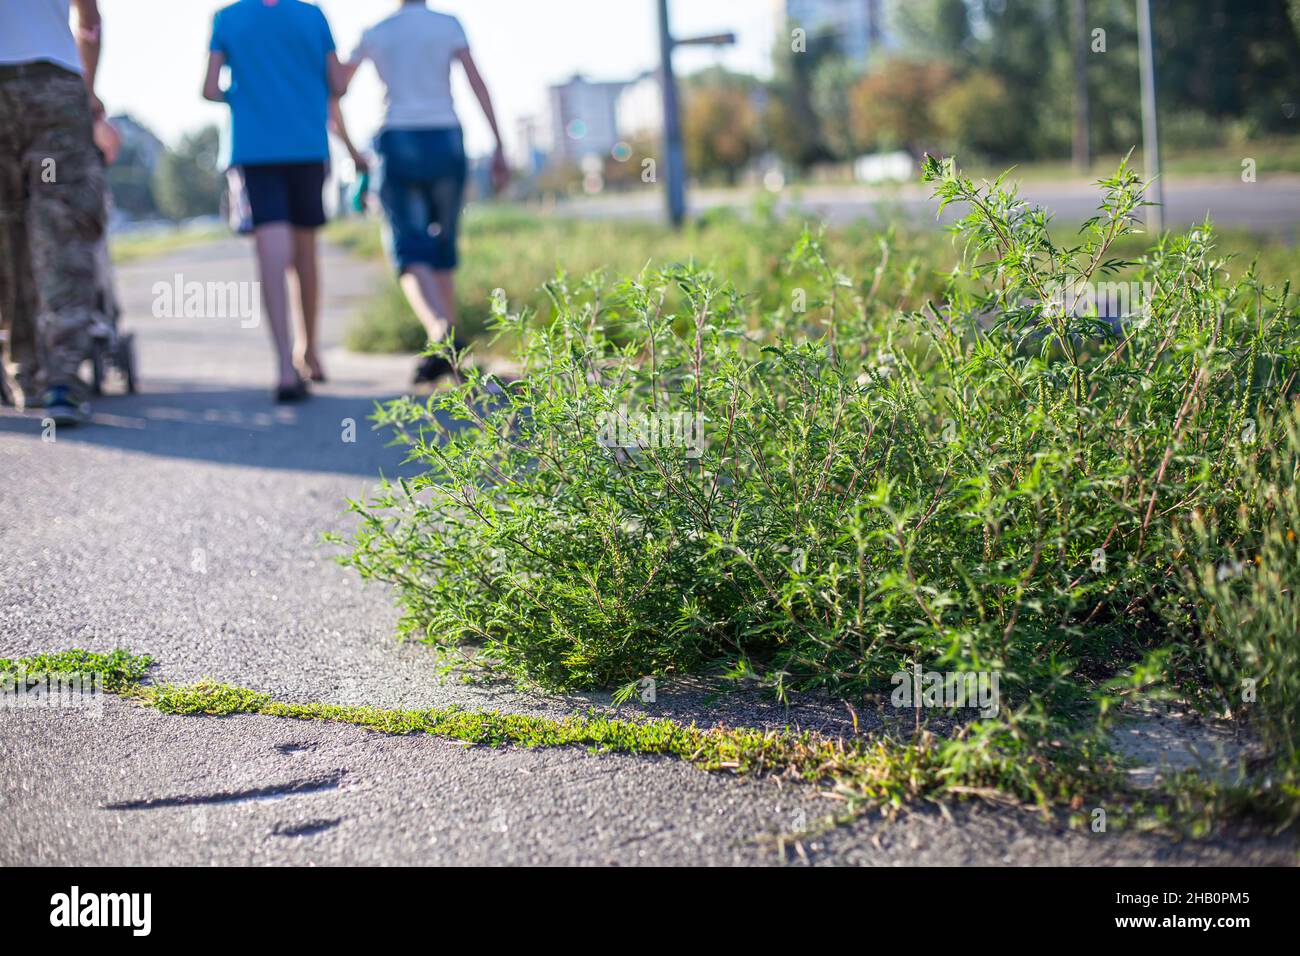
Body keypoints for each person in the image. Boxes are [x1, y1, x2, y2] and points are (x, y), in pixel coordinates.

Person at [340, 0, 509, 384]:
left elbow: (338, 85)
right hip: (445, 138)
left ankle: (439, 332)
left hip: (397, 139)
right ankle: (452, 354)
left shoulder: (375, 31)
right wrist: (499, 143)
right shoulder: (448, 24)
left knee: (409, 246)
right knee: (442, 244)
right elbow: (476, 81)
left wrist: (350, 148)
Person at [202, 0, 349, 402]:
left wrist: (244, 94)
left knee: (271, 253)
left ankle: (285, 367)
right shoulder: (313, 16)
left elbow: (210, 88)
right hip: (307, 144)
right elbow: (339, 83)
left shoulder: (227, 18)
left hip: (255, 148)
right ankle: (312, 353)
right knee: (306, 252)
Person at [0, 0, 107, 425]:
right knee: (59, 230)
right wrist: (89, 89)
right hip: (54, 88)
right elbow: (90, 22)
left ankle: (22, 373)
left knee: (7, 230)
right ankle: (61, 379)